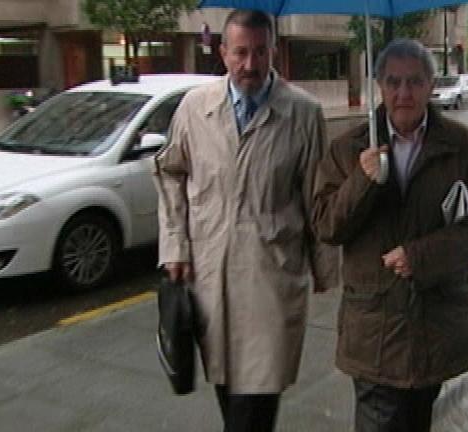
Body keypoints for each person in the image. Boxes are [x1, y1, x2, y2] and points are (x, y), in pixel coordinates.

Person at [153, 9, 337, 432]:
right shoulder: (195, 108)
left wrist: (325, 269)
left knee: (252, 410)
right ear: (223, 52)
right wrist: (175, 246)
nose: (250, 64)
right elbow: (169, 172)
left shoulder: (302, 113)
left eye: (260, 52)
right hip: (210, 279)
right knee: (230, 397)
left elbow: (317, 196)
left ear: (273, 51)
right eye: (240, 53)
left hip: (270, 281)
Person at [312, 39, 468, 432]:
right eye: (393, 82)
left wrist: (421, 256)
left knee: (416, 419)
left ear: (430, 85)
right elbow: (327, 225)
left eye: (415, 82)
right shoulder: (348, 149)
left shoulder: (463, 147)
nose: (404, 93)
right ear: (379, 86)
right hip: (374, 327)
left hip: (435, 324)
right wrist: (362, 181)